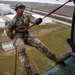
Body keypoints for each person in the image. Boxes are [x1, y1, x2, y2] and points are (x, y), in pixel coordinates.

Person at [6, 2, 59, 75]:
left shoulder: (27, 16)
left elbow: (33, 20)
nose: (22, 10)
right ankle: (29, 72)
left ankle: (55, 59)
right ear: (16, 10)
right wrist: (12, 37)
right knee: (22, 50)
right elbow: (8, 30)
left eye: (23, 8)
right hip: (18, 37)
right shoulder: (13, 20)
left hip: (26, 35)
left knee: (38, 43)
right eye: (20, 8)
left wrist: (37, 21)